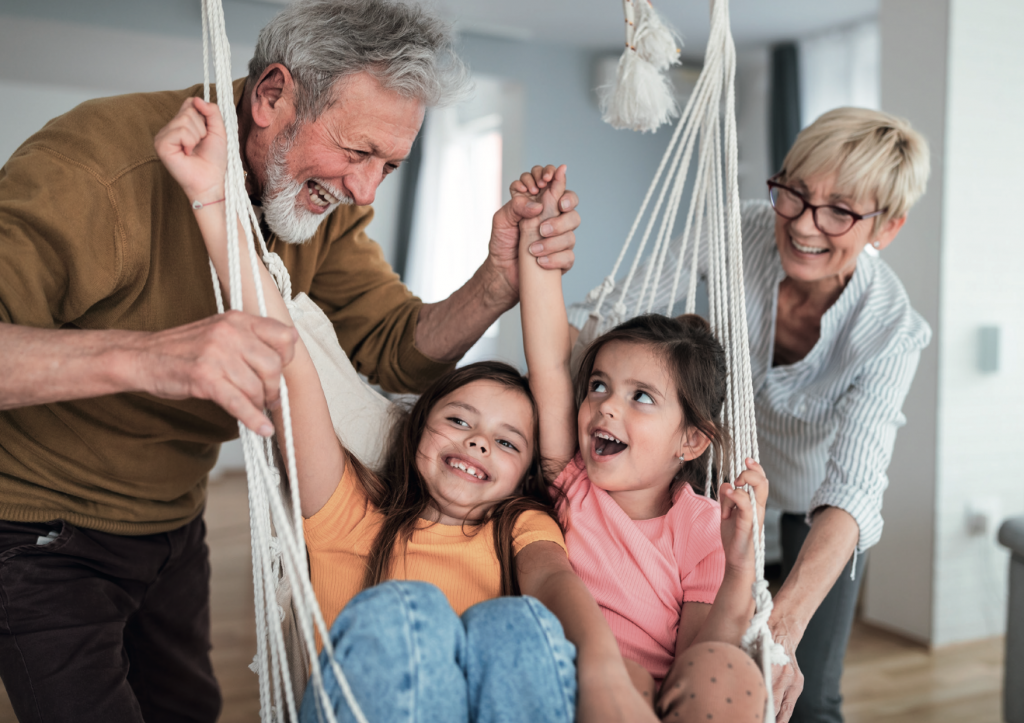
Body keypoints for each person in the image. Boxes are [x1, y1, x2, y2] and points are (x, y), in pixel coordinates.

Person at [0, 2, 580, 722]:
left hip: (172, 523)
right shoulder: (94, 170)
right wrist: (152, 357)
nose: (366, 189)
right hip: (39, 523)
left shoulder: (315, 204)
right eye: (357, 151)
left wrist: (496, 282)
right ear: (272, 97)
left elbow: (397, 345)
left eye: (391, 166)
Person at [154, 97, 655, 723]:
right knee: (408, 611)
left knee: (518, 621)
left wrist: (601, 671)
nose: (477, 443)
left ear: (526, 472)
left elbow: (555, 584)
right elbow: (290, 365)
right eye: (459, 420)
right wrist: (211, 199)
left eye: (506, 443)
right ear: (417, 424)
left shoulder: (521, 527)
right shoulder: (344, 510)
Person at [567, 107, 932, 723]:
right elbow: (612, 313)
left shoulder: (892, 332)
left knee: (806, 694)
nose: (803, 224)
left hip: (822, 512)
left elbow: (854, 490)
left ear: (886, 228)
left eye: (839, 210)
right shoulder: (739, 230)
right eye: (794, 192)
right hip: (731, 489)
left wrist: (781, 629)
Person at [513, 165, 770, 719]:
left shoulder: (702, 525)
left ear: (693, 441)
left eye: (641, 397)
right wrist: (537, 239)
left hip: (659, 696)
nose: (605, 404)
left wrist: (740, 564)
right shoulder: (573, 482)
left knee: (734, 677)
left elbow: (703, 653)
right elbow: (551, 363)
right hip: (569, 679)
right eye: (600, 385)